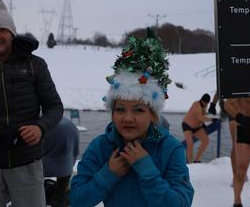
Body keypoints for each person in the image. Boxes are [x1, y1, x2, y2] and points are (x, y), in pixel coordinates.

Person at [70, 31, 194, 207]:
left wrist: (146, 168)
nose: (128, 118)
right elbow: (76, 200)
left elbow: (181, 204)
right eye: (120, 109)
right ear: (111, 112)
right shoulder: (101, 147)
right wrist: (108, 174)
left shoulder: (170, 149)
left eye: (138, 110)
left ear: (153, 115)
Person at [0, 0, 63, 207]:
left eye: (2, 30)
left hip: (26, 162)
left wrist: (40, 128)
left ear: (12, 33)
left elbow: (55, 107)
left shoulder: (35, 65)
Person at [224, 97, 250, 207]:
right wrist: (240, 118)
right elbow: (227, 104)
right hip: (243, 130)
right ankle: (237, 202)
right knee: (241, 169)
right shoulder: (242, 83)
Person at [43, 117, 79, 207]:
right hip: (68, 139)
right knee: (62, 185)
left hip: (48, 135)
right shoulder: (69, 125)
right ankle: (59, 200)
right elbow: (75, 152)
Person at [182, 93, 214, 163]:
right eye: (205, 102)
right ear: (201, 100)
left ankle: (197, 160)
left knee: (206, 141)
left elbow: (202, 116)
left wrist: (204, 124)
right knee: (190, 144)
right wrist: (212, 119)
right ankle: (190, 164)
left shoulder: (205, 106)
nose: (206, 104)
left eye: (207, 103)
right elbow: (200, 117)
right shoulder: (196, 104)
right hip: (187, 126)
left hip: (197, 127)